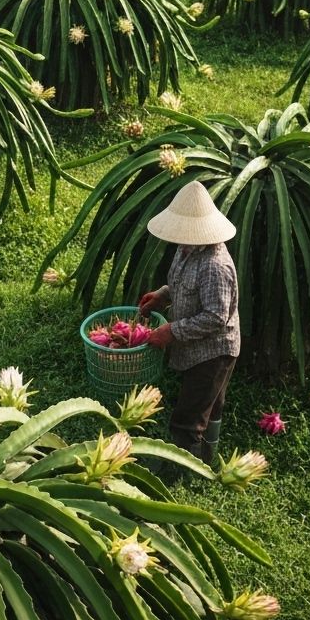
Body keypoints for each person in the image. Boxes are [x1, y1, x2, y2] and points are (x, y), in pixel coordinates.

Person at [137, 180, 240, 466]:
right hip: (198, 347)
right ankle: (208, 457)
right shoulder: (186, 250)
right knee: (210, 402)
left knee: (190, 415)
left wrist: (171, 331)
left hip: (213, 352)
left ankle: (184, 470)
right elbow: (182, 285)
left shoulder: (215, 265)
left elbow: (216, 317)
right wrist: (162, 295)